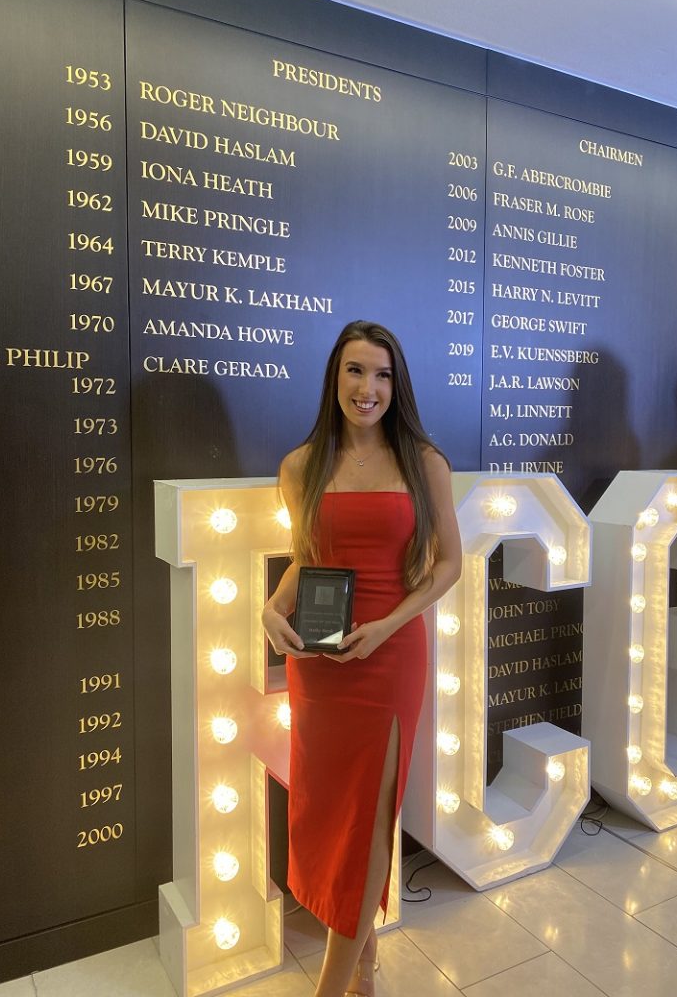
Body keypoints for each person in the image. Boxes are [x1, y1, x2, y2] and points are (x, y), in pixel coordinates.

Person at [261, 320, 462, 997]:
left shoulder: (423, 462)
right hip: (319, 664)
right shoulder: (300, 466)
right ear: (334, 378)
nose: (367, 388)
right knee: (329, 819)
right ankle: (365, 970)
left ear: (396, 384)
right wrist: (270, 610)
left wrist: (389, 624)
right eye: (355, 371)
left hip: (390, 655)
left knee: (372, 820)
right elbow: (307, 559)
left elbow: (448, 565)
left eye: (381, 375)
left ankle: (331, 987)